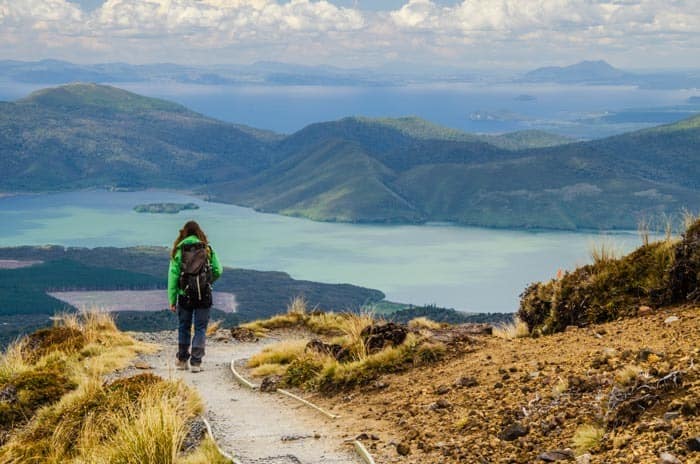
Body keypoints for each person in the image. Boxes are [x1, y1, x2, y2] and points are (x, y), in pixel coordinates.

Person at [168, 220, 223, 372]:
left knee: (184, 326)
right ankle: (196, 362)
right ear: (200, 233)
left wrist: (172, 300)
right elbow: (218, 269)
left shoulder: (179, 250)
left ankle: (182, 360)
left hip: (184, 295)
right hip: (204, 294)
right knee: (200, 328)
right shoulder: (207, 248)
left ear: (183, 234)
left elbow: (173, 277)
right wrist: (207, 282)